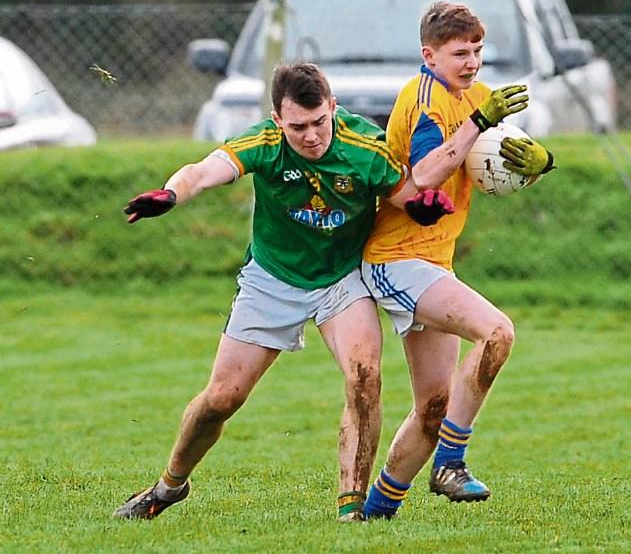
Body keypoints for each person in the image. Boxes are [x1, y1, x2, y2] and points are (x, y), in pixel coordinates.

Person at [113, 62, 455, 523]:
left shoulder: (365, 148)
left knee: (364, 377)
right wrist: (172, 194)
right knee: (222, 399)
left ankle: (352, 510)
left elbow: (406, 195)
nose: (312, 136)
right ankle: (169, 486)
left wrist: (424, 207)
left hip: (341, 279)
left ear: (333, 107)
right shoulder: (265, 144)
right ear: (278, 120)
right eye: (298, 127)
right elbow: (203, 170)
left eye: (320, 122)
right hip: (272, 279)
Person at [360, 1, 555, 519]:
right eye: (459, 54)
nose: (471, 63)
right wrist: (477, 121)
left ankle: (375, 514)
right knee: (497, 333)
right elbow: (424, 173)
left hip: (431, 261)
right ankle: (451, 462)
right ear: (430, 55)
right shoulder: (424, 99)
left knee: (434, 407)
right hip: (395, 257)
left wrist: (541, 164)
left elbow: (494, 159)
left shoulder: (480, 98)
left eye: (477, 51)